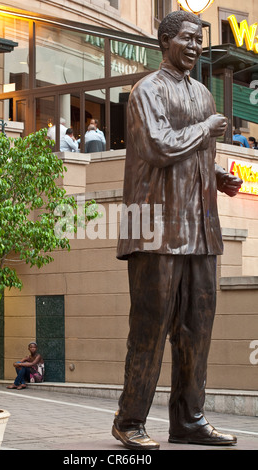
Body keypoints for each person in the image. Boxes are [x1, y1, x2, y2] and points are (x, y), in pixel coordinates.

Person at [112, 10, 243, 450]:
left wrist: (219, 174)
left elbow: (194, 155)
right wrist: (206, 129)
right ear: (165, 41)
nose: (195, 46)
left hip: (201, 229)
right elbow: (159, 146)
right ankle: (129, 421)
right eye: (187, 38)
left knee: (196, 332)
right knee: (149, 328)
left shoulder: (203, 94)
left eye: (199, 40)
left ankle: (189, 420)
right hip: (155, 228)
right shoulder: (145, 90)